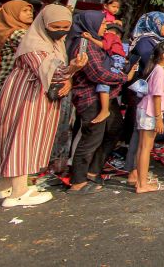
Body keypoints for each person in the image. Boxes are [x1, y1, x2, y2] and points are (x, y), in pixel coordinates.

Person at [0, 5, 88, 206]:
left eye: (65, 26)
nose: (61, 30)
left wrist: (69, 74)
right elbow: (52, 71)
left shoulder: (54, 42)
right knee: (23, 139)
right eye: (56, 26)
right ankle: (19, 192)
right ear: (44, 24)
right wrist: (73, 69)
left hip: (37, 97)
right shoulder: (34, 44)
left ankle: (4, 186)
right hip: (26, 97)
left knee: (21, 138)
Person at [68, 11, 134, 194]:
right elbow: (97, 72)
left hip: (107, 95)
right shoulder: (84, 44)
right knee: (92, 137)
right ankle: (78, 181)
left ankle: (92, 170)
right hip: (90, 97)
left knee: (113, 130)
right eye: (103, 23)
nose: (105, 27)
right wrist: (122, 77)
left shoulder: (96, 42)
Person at [0, 1, 33, 155]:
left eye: (30, 10)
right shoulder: (18, 33)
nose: (30, 13)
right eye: (24, 11)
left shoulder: (7, 31)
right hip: (0, 85)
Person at [131, 42, 164, 193]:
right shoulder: (161, 72)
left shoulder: (156, 69)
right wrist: (159, 118)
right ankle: (142, 184)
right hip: (151, 111)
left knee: (142, 147)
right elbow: (157, 96)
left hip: (145, 109)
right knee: (146, 147)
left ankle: (140, 180)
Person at [81, 22, 128, 124]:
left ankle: (104, 110)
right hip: (117, 59)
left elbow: (104, 46)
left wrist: (90, 39)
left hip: (115, 59)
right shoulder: (116, 40)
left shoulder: (110, 36)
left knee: (104, 83)